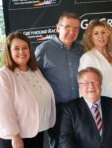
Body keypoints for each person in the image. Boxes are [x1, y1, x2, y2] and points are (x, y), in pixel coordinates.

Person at [0, 32, 56, 148]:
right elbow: (4, 111)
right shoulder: (3, 75)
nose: (21, 52)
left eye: (25, 48)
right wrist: (15, 137)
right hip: (17, 137)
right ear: (9, 51)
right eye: (16, 48)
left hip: (35, 132)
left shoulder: (35, 70)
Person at [35, 12, 82, 148]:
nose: (72, 32)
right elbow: (32, 79)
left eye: (76, 28)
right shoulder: (44, 50)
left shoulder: (82, 49)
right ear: (57, 28)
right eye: (67, 27)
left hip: (80, 107)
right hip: (57, 110)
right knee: (58, 144)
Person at [59, 67, 112, 148]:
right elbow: (65, 140)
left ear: (100, 83)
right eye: (86, 83)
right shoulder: (69, 109)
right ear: (79, 86)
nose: (91, 86)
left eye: (94, 81)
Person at [79, 20, 112, 103]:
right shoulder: (88, 57)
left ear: (108, 35)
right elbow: (85, 87)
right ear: (91, 37)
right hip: (101, 104)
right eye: (96, 33)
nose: (101, 36)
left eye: (103, 32)